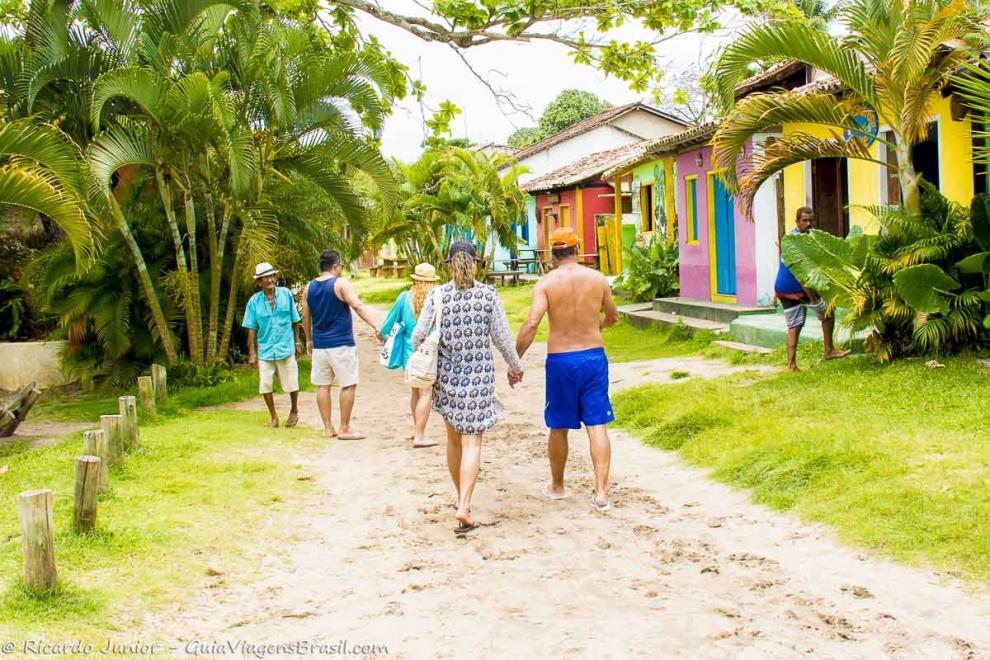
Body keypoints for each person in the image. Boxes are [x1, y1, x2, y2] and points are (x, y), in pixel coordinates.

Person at [411, 241, 523, 534]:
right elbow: (501, 338)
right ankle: (464, 505)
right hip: (480, 380)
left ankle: (460, 498)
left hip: (447, 378)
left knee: (453, 441)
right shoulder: (488, 295)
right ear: (475, 263)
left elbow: (417, 336)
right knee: (473, 441)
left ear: (449, 264)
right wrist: (515, 366)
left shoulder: (438, 296)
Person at [515, 227, 619, 513]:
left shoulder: (546, 284)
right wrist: (592, 326)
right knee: (597, 423)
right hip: (593, 358)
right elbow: (613, 316)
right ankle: (600, 493)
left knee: (559, 425)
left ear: (552, 254)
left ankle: (558, 486)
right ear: (577, 249)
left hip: (561, 361)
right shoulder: (597, 279)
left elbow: (532, 323)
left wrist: (516, 359)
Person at [301, 250, 380, 440]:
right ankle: (344, 428)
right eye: (341, 266)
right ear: (335, 267)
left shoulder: (308, 287)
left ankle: (328, 428)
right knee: (348, 384)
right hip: (341, 343)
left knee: (323, 385)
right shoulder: (340, 283)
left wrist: (309, 339)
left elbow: (305, 315)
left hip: (320, 345)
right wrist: (375, 325)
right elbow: (357, 306)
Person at [775, 207, 851, 371]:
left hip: (783, 287)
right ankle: (828, 350)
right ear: (797, 221)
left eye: (811, 220)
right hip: (796, 287)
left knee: (795, 325)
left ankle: (792, 365)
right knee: (826, 313)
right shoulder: (795, 243)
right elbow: (802, 275)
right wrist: (814, 299)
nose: (809, 224)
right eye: (805, 220)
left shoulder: (801, 238)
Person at [381, 263, 440, 448]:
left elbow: (388, 325)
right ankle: (420, 435)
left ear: (415, 280)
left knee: (415, 391)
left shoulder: (404, 297)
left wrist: (382, 336)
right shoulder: (438, 298)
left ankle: (417, 430)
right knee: (426, 393)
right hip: (429, 351)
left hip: (409, 353)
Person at [242, 262, 302, 428]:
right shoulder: (254, 302)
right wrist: (252, 353)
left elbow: (295, 320)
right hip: (266, 348)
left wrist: (297, 342)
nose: (269, 280)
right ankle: (274, 417)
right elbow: (251, 328)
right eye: (265, 278)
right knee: (265, 383)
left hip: (286, 345)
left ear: (275, 277)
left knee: (292, 381)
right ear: (259, 282)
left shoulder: (286, 294)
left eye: (271, 276)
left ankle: (294, 410)